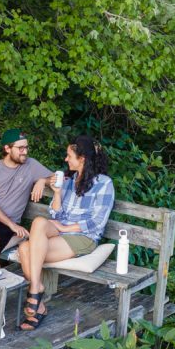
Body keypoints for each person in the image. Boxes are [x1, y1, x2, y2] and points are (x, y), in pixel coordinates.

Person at [18, 135, 114, 330]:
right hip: (61, 231)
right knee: (38, 221)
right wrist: (57, 192)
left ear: (82, 159)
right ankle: (37, 288)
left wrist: (66, 228)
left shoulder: (104, 183)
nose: (65, 159)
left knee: (25, 249)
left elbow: (96, 221)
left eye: (69, 155)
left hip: (83, 237)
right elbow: (56, 213)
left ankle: (38, 302)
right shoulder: (69, 180)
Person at [0, 128, 55, 271]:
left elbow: (57, 178)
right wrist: (13, 226)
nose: (25, 152)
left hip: (5, 227)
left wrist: (42, 181)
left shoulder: (31, 165)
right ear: (7, 148)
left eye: (26, 147)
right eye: (20, 148)